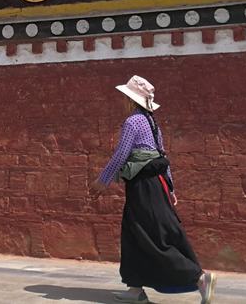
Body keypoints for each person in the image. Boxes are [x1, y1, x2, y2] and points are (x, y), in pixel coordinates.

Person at [90, 76, 216, 303]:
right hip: (157, 183)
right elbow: (162, 154)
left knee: (152, 236)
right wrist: (171, 187)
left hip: (143, 187)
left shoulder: (132, 122)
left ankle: (199, 278)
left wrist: (103, 180)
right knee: (134, 233)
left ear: (131, 100)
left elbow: (121, 154)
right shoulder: (151, 122)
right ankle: (135, 289)